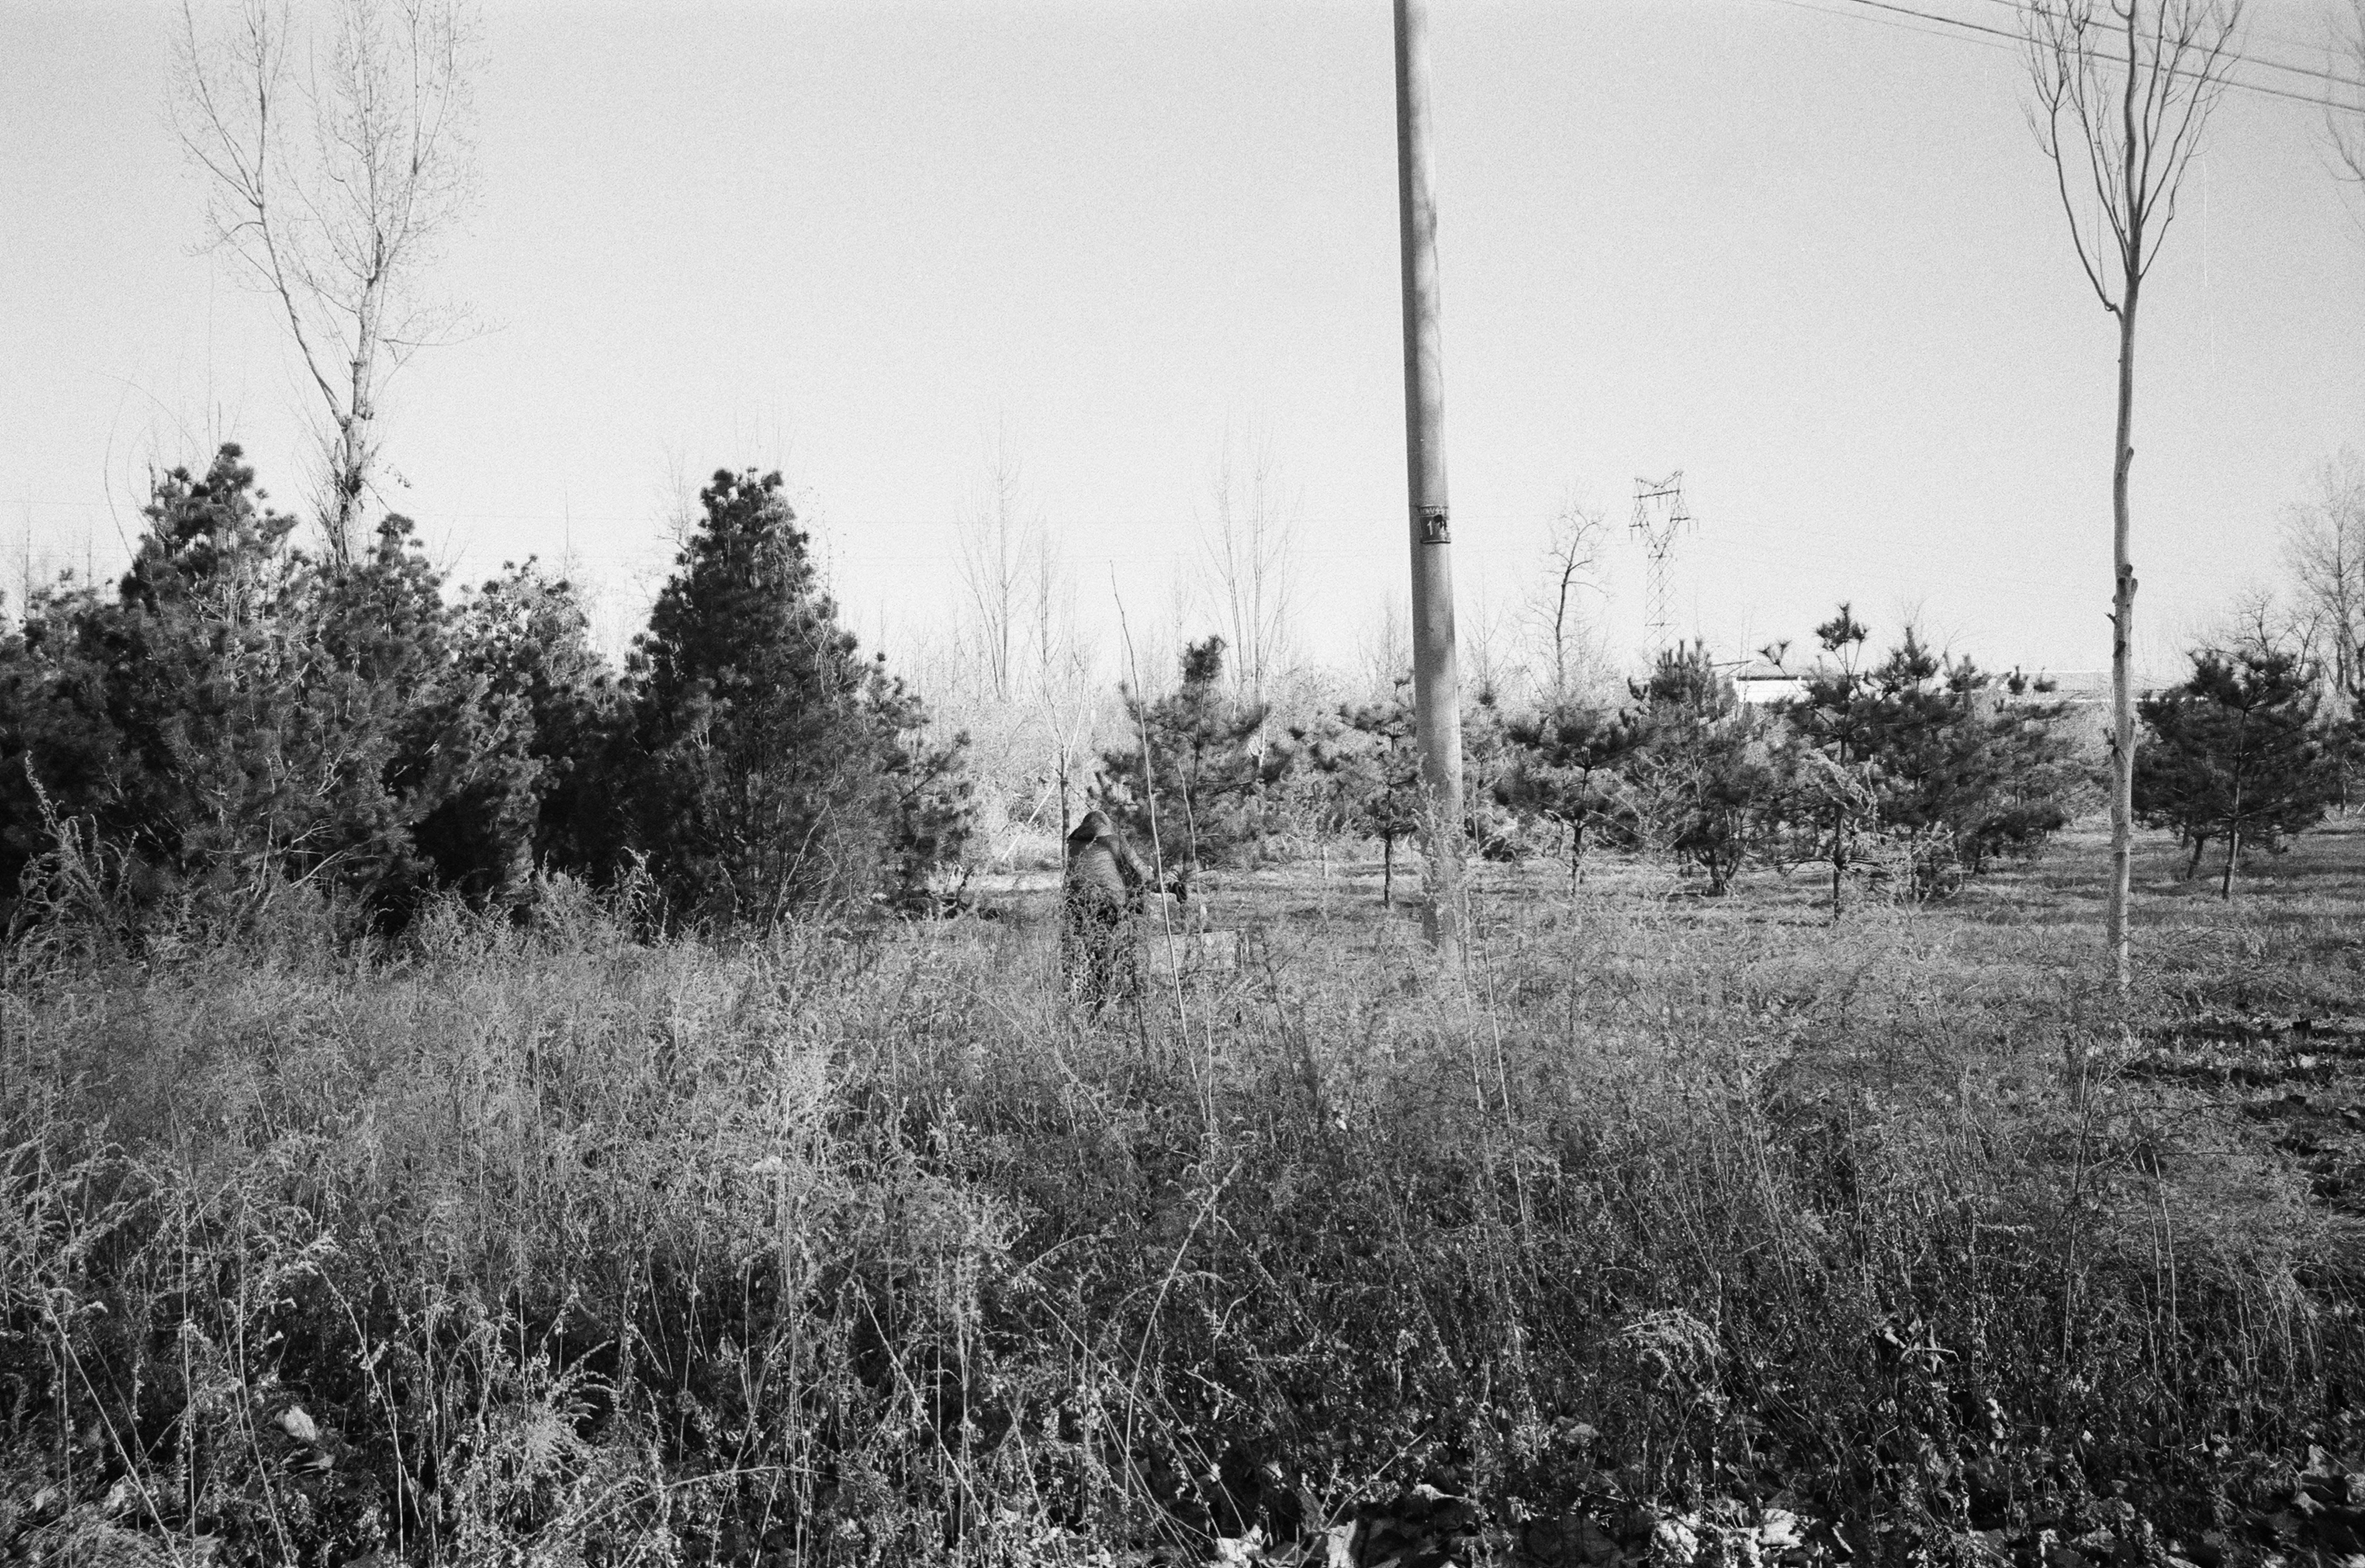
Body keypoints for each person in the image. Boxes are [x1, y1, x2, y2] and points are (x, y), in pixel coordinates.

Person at [1063, 809, 1148, 1010]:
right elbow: (1141, 872)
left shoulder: (1074, 845)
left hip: (1078, 906)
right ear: (1107, 825)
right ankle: (1124, 984)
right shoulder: (1114, 841)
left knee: (1091, 951)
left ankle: (1090, 992)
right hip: (1110, 904)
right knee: (1114, 947)